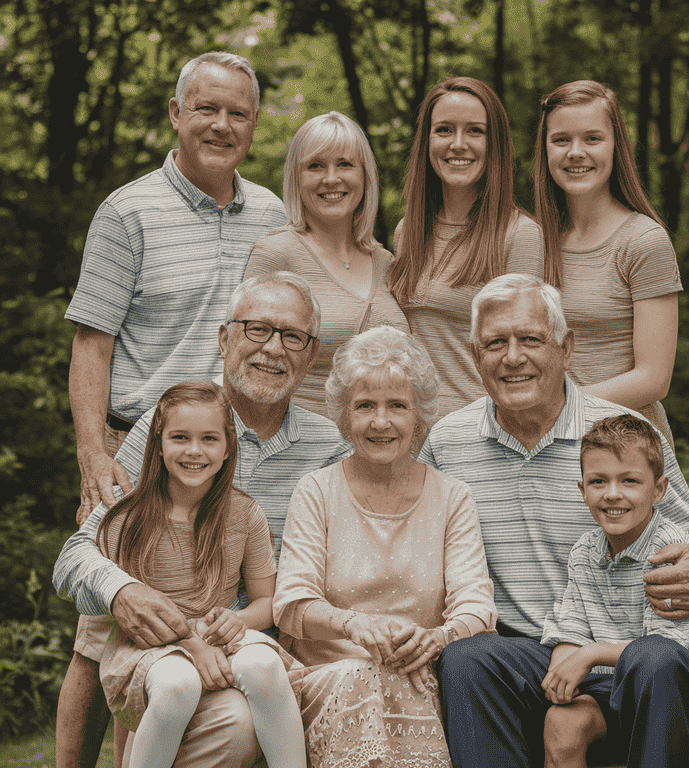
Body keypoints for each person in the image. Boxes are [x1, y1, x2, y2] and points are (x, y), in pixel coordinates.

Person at [60, 50, 286, 768]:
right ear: (177, 114)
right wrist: (94, 456)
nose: (222, 124)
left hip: (226, 447)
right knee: (101, 631)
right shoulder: (128, 211)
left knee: (195, 622)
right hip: (138, 445)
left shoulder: (275, 218)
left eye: (238, 113)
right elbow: (92, 344)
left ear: (253, 125)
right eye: (208, 108)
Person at [419, 273, 689, 767]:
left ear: (566, 348)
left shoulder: (623, 437)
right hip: (538, 651)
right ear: (474, 355)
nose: (512, 357)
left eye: (530, 339)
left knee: (653, 655)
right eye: (495, 343)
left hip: (644, 655)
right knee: (468, 657)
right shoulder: (447, 443)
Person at [54, 273, 352, 767]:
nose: (273, 348)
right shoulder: (166, 422)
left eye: (292, 336)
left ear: (311, 353)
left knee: (238, 717)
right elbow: (80, 551)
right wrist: (122, 590)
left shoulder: (328, 448)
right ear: (223, 338)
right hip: (155, 635)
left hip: (252, 636)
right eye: (256, 329)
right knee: (115, 631)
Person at [273, 325, 497, 767]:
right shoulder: (316, 490)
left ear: (419, 417)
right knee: (362, 675)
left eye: (397, 405)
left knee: (407, 682)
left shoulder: (453, 496)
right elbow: (292, 604)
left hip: (420, 674)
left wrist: (438, 638)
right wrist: (351, 624)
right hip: (329, 679)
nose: (381, 421)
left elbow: (476, 604)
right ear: (343, 416)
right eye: (364, 406)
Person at [95, 381, 305, 768]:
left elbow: (267, 603)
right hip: (149, 646)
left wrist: (236, 620)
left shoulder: (244, 515)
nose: (194, 450)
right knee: (178, 683)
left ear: (228, 448)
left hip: (217, 637)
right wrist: (193, 645)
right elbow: (127, 614)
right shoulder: (127, 518)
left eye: (209, 438)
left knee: (262, 665)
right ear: (158, 443)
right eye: (180, 437)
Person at [539, 414, 689, 768]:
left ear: (658, 489)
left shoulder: (670, 549)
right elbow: (571, 625)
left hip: (686, 677)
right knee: (561, 722)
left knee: (652, 659)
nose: (613, 494)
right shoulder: (584, 551)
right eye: (598, 481)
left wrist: (589, 655)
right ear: (582, 490)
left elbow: (663, 648)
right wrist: (561, 676)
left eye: (629, 480)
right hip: (615, 678)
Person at [533, 80, 681, 446]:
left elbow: (653, 378)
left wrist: (555, 408)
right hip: (552, 445)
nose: (575, 152)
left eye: (593, 139)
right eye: (561, 140)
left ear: (617, 147)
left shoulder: (643, 241)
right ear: (545, 149)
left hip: (625, 448)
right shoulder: (535, 241)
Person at [388, 76, 545, 419]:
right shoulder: (407, 233)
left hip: (480, 433)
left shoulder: (519, 235)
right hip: (409, 434)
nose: (458, 144)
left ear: (495, 144)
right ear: (426, 141)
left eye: (475, 131)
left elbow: (524, 363)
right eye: (444, 130)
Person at [245, 111, 409, 416]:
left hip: (380, 446)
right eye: (315, 166)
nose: (331, 178)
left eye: (345, 164)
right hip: (301, 449)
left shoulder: (386, 263)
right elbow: (244, 363)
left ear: (365, 175)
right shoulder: (275, 254)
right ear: (296, 178)